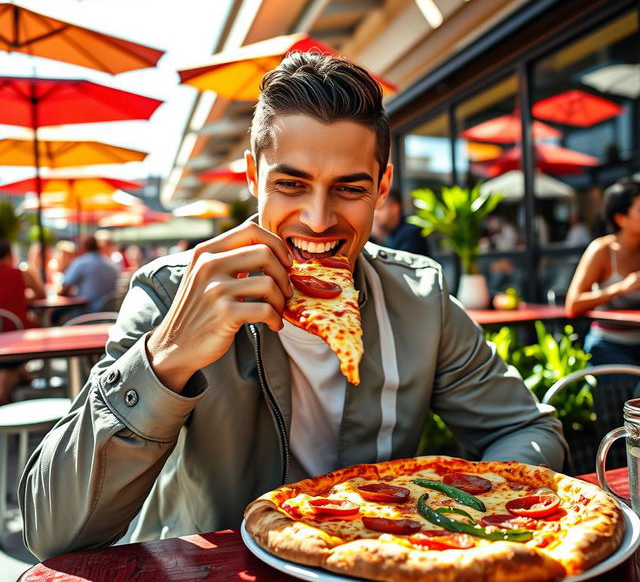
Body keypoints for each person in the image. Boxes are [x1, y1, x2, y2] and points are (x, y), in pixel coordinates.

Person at [20, 52, 566, 560]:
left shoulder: (419, 299)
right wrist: (167, 355)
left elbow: (530, 431)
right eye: (291, 184)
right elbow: (51, 530)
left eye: (349, 189)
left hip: (377, 563)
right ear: (254, 178)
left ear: (382, 187)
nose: (319, 218)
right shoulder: (169, 295)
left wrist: (444, 503)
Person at [566, 178, 640, 365]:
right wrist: (620, 287)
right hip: (609, 346)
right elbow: (573, 304)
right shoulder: (602, 250)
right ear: (620, 218)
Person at [0, 238, 45, 404]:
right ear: (10, 255)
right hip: (19, 332)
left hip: (6, 335)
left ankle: (21, 375)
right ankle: (5, 391)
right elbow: (41, 295)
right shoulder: (20, 274)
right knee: (36, 329)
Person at [58, 235, 119, 313]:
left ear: (83, 247)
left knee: (55, 316)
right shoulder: (112, 264)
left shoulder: (80, 263)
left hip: (85, 313)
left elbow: (64, 289)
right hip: (110, 313)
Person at [370, 188, 431, 256]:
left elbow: (397, 263)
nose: (375, 215)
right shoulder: (389, 233)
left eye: (380, 209)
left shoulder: (411, 232)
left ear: (395, 208)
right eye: (373, 209)